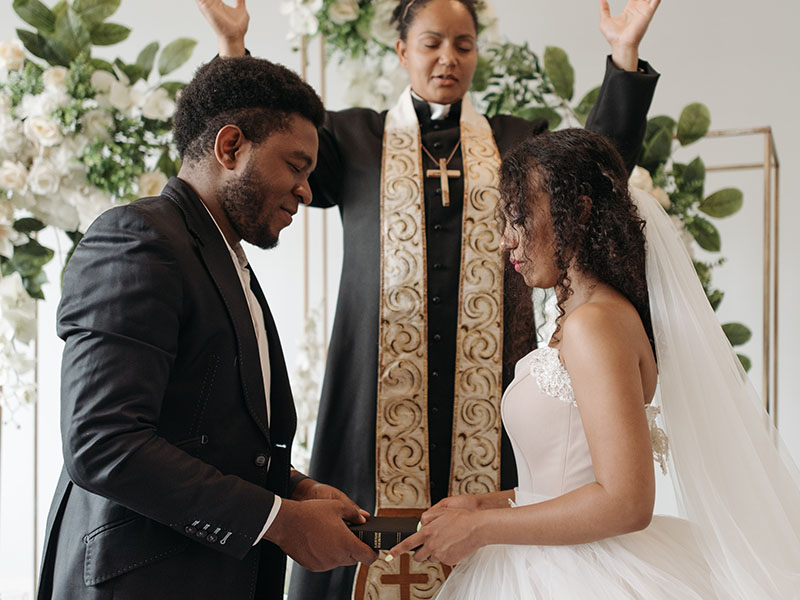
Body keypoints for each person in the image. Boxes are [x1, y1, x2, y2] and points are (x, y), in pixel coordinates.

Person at [196, 1, 661, 597]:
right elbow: (270, 147)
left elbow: (596, 174)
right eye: (432, 43)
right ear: (402, 51)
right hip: (377, 393)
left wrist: (623, 61)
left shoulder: (514, 142)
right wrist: (235, 50)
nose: (448, 58)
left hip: (491, 393)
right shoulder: (355, 140)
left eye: (464, 45)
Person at [388, 128, 800, 598]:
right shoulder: (582, 318)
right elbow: (567, 481)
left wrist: (483, 529)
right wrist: (484, 504)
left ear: (578, 212)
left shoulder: (594, 326)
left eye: (520, 218)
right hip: (550, 559)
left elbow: (626, 502)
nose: (506, 241)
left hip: (582, 575)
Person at [36, 56, 377, 600]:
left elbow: (203, 435)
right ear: (231, 147)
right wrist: (279, 520)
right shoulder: (139, 239)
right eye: (295, 166)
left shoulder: (225, 260)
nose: (306, 192)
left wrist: (295, 490)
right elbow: (104, 442)